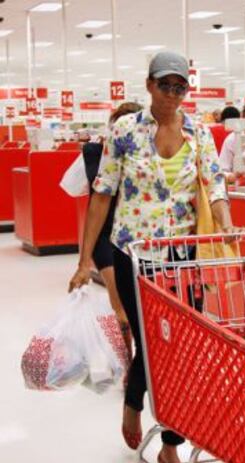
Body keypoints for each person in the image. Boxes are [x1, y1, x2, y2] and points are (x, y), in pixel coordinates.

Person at [68, 51, 237, 463]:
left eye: (181, 87)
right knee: (152, 343)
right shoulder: (125, 130)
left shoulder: (199, 131)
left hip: (183, 255)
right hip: (134, 253)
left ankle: (169, 445)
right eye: (166, 85)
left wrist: (226, 222)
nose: (174, 94)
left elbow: (214, 182)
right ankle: (133, 402)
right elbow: (102, 194)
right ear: (149, 86)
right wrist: (85, 259)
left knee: (181, 347)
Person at [81, 102, 142, 334]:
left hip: (136, 238)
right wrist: (83, 261)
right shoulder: (97, 155)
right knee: (122, 311)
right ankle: (129, 363)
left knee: (139, 311)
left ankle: (140, 361)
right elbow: (97, 204)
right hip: (107, 237)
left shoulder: (147, 156)